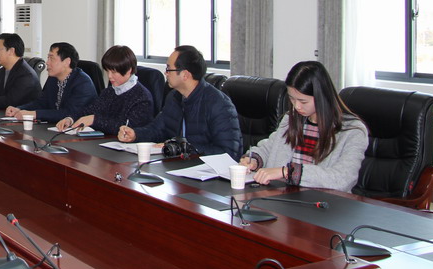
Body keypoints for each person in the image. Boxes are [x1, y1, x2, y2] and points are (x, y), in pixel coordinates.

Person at [239, 61, 368, 192]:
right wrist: (254, 160)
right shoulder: (291, 118)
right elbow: (270, 148)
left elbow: (343, 178)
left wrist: (288, 172)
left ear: (322, 96)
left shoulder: (352, 131)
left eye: (303, 101)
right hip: (283, 196)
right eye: (292, 99)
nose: (297, 106)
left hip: (323, 201)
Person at [118, 45, 242, 158]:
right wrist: (135, 134)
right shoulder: (174, 97)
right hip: (178, 165)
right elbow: (158, 129)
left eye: (169, 69)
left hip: (205, 170)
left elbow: (229, 153)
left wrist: (183, 148)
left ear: (185, 75)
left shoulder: (219, 105)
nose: (166, 73)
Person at [56, 45, 152, 135]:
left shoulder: (142, 97)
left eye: (113, 72)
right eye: (107, 71)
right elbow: (89, 110)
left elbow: (129, 129)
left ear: (129, 70)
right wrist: (70, 119)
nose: (109, 76)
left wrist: (94, 120)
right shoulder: (109, 92)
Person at [7, 42, 96, 122]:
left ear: (67, 62)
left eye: (52, 59)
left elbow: (70, 113)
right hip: (55, 127)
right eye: (48, 58)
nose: (47, 62)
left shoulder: (83, 83)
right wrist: (19, 109)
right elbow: (41, 102)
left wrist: (35, 114)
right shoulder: (53, 78)